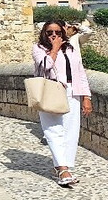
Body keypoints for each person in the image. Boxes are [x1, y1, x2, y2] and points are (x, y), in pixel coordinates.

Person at [33, 20, 92, 187]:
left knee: (70, 132)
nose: (54, 35)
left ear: (63, 33)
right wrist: (55, 48)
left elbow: (80, 72)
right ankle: (63, 170)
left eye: (58, 32)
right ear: (44, 33)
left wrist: (86, 97)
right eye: (50, 32)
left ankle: (64, 166)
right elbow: (44, 66)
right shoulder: (39, 48)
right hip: (51, 90)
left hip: (72, 92)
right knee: (53, 130)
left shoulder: (71, 49)